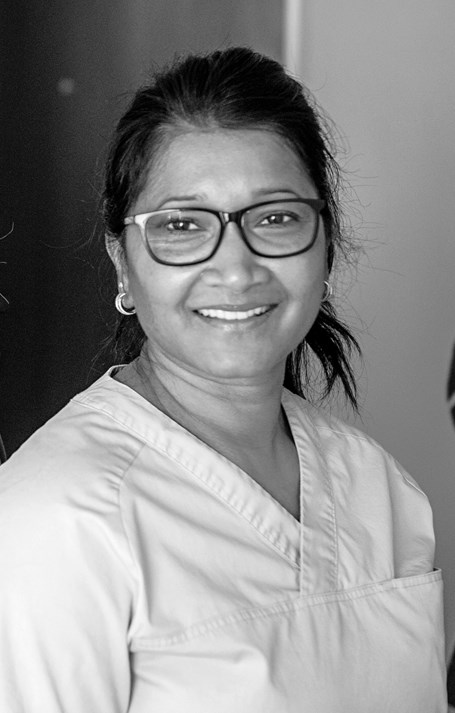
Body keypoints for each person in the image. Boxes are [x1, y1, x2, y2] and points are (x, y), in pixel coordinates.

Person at [0, 47, 447, 712]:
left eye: (275, 217)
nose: (236, 269)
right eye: (182, 225)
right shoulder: (55, 519)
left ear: (325, 243)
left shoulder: (379, 489)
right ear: (123, 264)